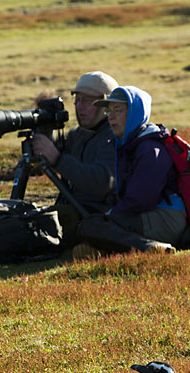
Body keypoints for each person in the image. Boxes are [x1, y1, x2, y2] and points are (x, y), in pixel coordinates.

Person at [74, 86, 190, 257]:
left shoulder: (150, 148)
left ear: (135, 113)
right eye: (108, 110)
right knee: (93, 224)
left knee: (92, 225)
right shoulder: (129, 144)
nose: (111, 117)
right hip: (150, 215)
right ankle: (103, 250)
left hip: (166, 218)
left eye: (118, 110)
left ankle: (150, 248)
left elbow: (141, 199)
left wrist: (111, 214)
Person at [32, 71, 119, 246]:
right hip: (75, 211)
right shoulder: (78, 135)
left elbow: (102, 182)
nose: (80, 107)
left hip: (99, 218)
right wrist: (44, 128)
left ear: (105, 104)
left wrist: (58, 159)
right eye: (77, 101)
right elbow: (48, 157)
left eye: (87, 101)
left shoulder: (114, 136)